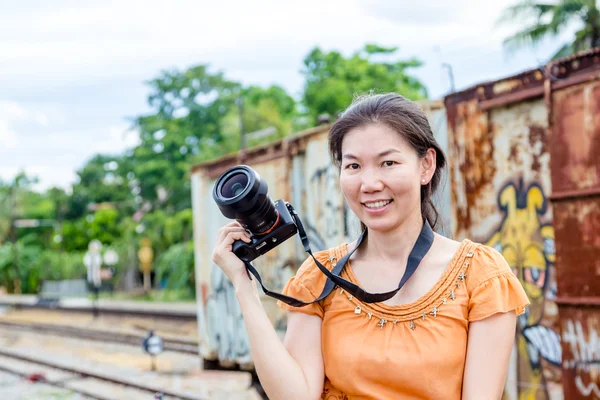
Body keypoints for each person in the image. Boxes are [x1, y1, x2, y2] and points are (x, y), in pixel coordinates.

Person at [212, 93, 529, 400]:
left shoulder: (482, 276)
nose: (369, 183)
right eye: (353, 166)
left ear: (426, 166)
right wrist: (244, 286)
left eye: (388, 163)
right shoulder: (318, 277)